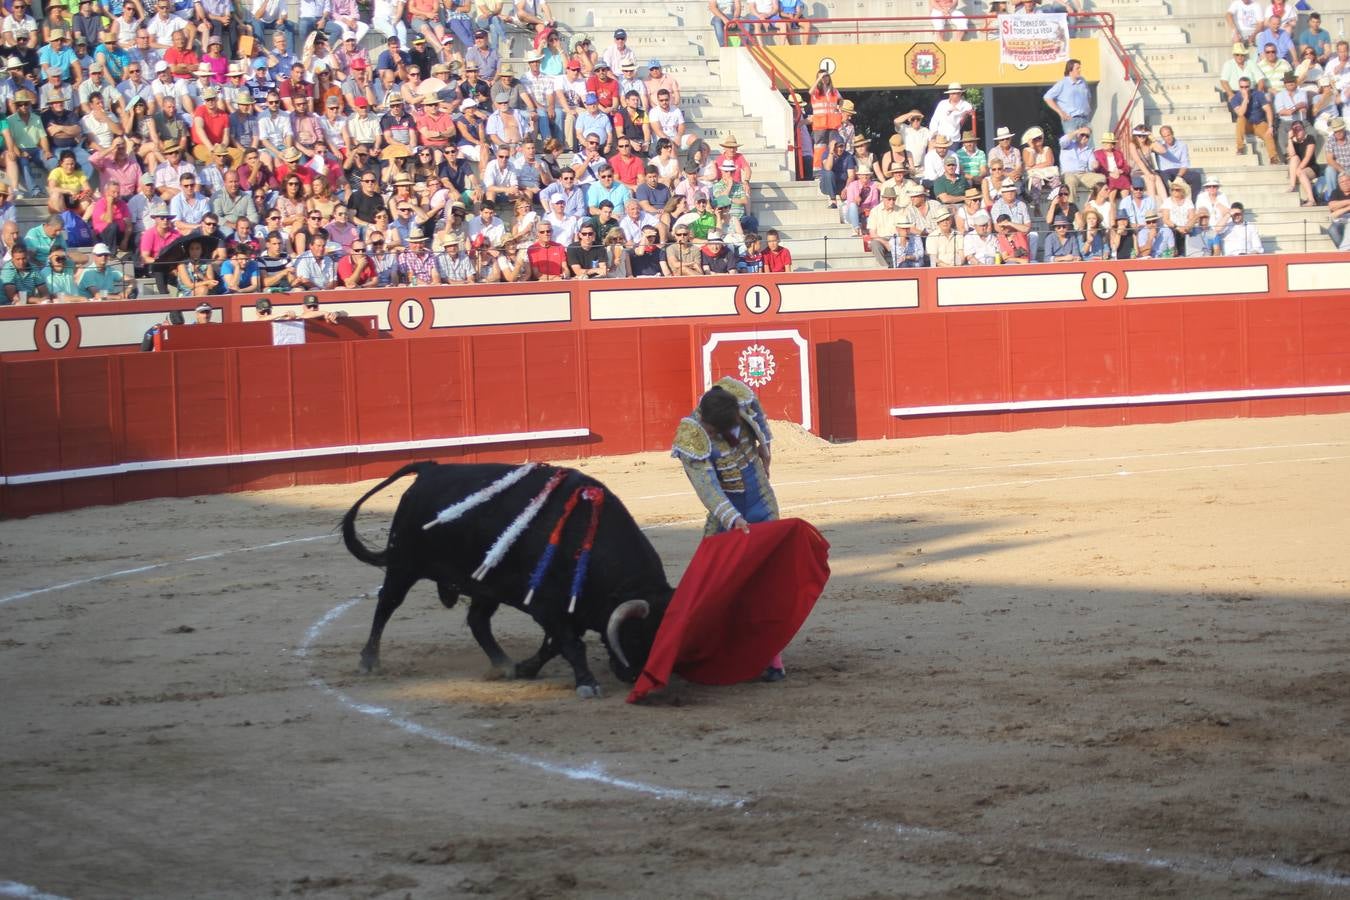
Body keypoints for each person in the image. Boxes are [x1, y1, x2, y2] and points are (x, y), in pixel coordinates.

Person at [671, 377, 784, 682]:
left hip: (761, 500)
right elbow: (708, 489)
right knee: (711, 584)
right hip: (728, 516)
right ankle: (696, 648)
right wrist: (733, 519)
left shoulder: (738, 397)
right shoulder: (693, 435)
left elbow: (758, 417)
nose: (711, 433)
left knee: (763, 583)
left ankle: (771, 659)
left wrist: (765, 447)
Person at [1230, 75, 1281, 161]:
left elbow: (1268, 110)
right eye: (1242, 87)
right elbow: (1241, 113)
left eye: (1246, 87)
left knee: (1268, 134)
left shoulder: (1258, 94)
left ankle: (1273, 158)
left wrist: (1270, 126)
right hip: (1246, 124)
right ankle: (1240, 147)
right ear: (1239, 87)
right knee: (1240, 118)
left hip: (1259, 123)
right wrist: (1245, 99)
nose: (1244, 89)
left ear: (1250, 86)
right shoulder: (1235, 98)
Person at [1043, 58, 1092, 130]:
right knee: (1072, 141)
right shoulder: (1063, 83)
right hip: (1071, 121)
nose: (1080, 70)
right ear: (1070, 70)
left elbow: (1088, 97)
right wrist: (1060, 112)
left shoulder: (1083, 81)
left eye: (1080, 68)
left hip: (1085, 120)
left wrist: (1087, 109)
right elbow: (1047, 97)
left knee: (1089, 141)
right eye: (1077, 68)